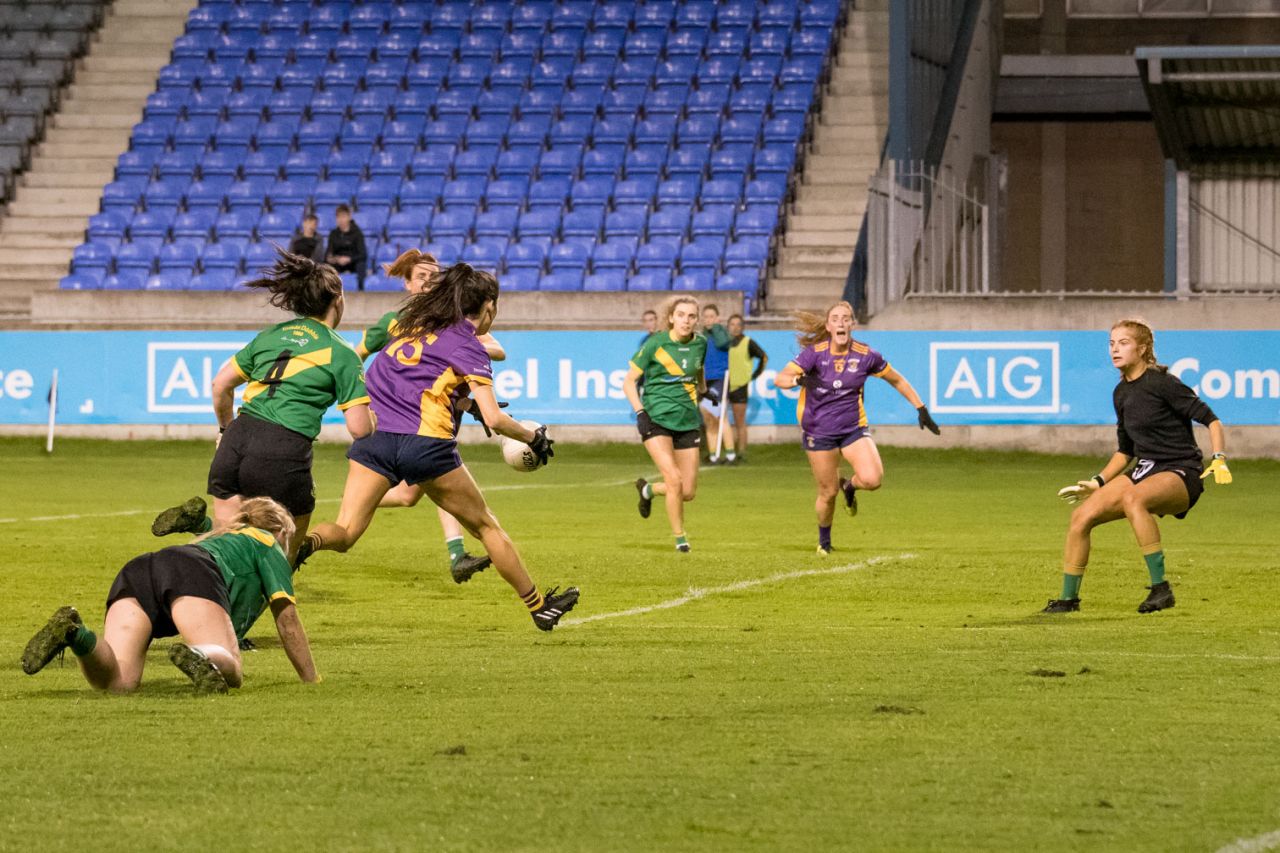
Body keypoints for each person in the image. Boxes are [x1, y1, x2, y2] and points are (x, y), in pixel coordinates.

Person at [295, 263, 579, 631]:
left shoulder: (412, 326)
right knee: (486, 527)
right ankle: (539, 606)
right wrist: (534, 439)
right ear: (489, 305)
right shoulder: (469, 344)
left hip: (375, 441)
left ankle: (304, 545)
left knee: (345, 532)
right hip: (426, 446)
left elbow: (417, 381)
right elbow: (495, 420)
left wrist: (463, 402)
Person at [150, 249, 373, 562]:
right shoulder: (342, 352)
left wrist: (225, 430)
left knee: (227, 550)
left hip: (237, 440)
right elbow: (360, 428)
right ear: (338, 299)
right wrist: (373, 416)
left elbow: (220, 384)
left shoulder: (270, 336)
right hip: (283, 449)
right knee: (284, 558)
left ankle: (201, 525)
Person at [22, 497, 319, 694]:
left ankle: (76, 634)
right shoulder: (267, 541)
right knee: (232, 669)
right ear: (280, 530)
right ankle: (198, 653)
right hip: (190, 573)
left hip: (139, 570)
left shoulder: (222, 537)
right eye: (288, 539)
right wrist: (311, 680)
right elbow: (287, 618)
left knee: (118, 684)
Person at [1044, 319, 1231, 614]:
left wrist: (1219, 457)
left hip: (1181, 471)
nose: (1115, 349)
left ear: (1143, 349)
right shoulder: (1121, 393)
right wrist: (1097, 482)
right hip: (1144, 469)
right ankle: (1068, 601)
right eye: (1111, 343)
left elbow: (1212, 420)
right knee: (1081, 516)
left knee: (1135, 498)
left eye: (1124, 343)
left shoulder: (1164, 383)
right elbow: (1125, 451)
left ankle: (1161, 590)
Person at [356, 249, 508, 584]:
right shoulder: (393, 323)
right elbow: (355, 357)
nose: (429, 281)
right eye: (421, 276)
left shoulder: (450, 321)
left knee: (411, 496)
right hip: (404, 418)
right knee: (438, 475)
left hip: (432, 414)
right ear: (407, 284)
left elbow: (498, 349)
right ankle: (456, 553)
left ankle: (359, 503)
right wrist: (362, 398)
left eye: (433, 275)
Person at [774, 301, 940, 555]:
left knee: (873, 480)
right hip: (819, 431)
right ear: (829, 326)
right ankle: (824, 542)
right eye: (835, 318)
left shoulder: (865, 355)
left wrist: (921, 408)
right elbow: (780, 378)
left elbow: (896, 379)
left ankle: (849, 486)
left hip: (853, 429)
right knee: (827, 492)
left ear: (852, 324)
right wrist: (800, 379)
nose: (841, 322)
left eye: (846, 318)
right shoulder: (814, 354)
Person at [623, 295, 707, 553]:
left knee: (688, 491)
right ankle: (680, 538)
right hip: (656, 419)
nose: (686, 320)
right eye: (681, 315)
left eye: (691, 316)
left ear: (696, 320)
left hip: (688, 420)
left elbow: (698, 369)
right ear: (671, 317)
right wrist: (640, 412)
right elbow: (628, 381)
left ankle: (648, 490)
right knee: (673, 478)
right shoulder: (655, 344)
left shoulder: (701, 344)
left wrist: (703, 388)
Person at [725, 313, 767, 463]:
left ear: (742, 327)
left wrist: (754, 375)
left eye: (738, 324)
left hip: (739, 386)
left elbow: (763, 357)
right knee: (721, 421)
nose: (735, 327)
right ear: (727, 326)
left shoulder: (748, 342)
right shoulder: (723, 343)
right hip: (722, 385)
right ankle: (726, 451)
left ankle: (741, 452)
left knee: (739, 421)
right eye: (732, 324)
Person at [697, 304, 734, 464]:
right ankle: (713, 454)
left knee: (718, 414)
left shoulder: (722, 333)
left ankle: (730, 454)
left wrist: (716, 328)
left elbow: (722, 344)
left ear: (718, 318)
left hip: (720, 378)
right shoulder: (702, 336)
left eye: (712, 316)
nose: (708, 320)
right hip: (706, 379)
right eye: (706, 317)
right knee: (708, 417)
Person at [326, 204, 368, 290]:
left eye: (343, 217)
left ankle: (361, 291)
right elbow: (329, 253)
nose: (341, 220)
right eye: (339, 217)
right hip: (338, 262)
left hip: (353, 261)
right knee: (327, 267)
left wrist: (349, 259)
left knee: (361, 265)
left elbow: (363, 254)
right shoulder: (333, 234)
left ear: (349, 217)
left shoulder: (357, 233)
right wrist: (335, 259)